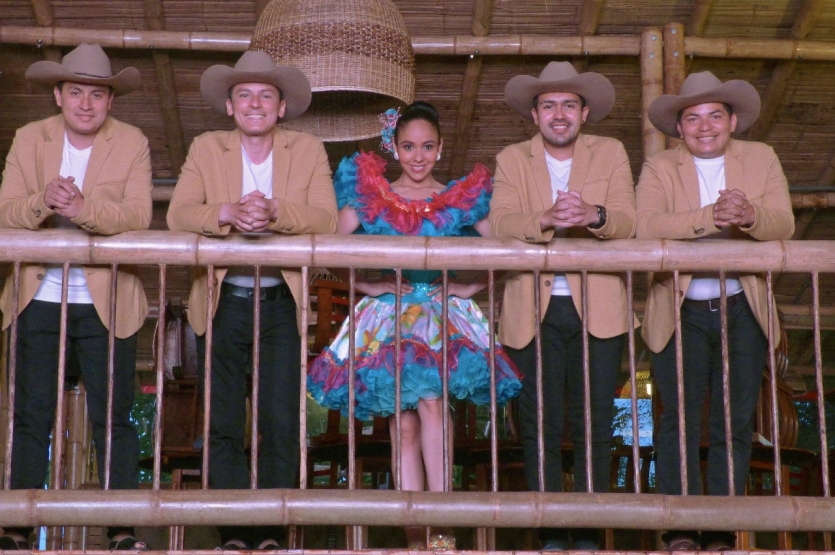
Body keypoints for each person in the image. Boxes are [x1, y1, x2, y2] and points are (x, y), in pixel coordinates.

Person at [307, 101, 523, 551]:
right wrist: (366, 282)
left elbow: (509, 247)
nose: (418, 156)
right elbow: (324, 246)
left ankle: (442, 526)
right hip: (387, 318)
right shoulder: (372, 196)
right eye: (408, 146)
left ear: (441, 148)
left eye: (427, 146)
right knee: (399, 427)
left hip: (441, 319)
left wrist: (473, 287)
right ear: (395, 148)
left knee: (430, 406)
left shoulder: (459, 200)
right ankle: (414, 535)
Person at [166, 50, 337, 550]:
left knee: (280, 421)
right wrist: (227, 212)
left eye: (266, 95)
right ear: (229, 106)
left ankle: (270, 535)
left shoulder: (307, 150)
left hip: (281, 301)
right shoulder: (206, 147)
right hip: (221, 300)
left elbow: (326, 219)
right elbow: (178, 214)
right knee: (220, 421)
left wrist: (275, 211)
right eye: (245, 94)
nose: (255, 103)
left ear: (282, 107)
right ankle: (234, 535)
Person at [0, 43, 152, 551]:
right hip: (36, 294)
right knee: (31, 413)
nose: (86, 103)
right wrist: (41, 202)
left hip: (107, 299)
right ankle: (17, 526)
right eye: (76, 92)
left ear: (110, 101)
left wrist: (84, 208)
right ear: (58, 95)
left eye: (97, 94)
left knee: (115, 415)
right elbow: (6, 213)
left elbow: (138, 216)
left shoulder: (132, 141)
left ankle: (121, 528)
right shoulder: (28, 138)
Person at [636, 71, 794, 551]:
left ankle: (723, 531)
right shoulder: (659, 167)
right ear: (679, 129)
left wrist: (749, 216)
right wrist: (711, 218)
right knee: (676, 420)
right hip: (678, 309)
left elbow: (783, 221)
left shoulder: (762, 158)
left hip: (742, 307)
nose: (704, 126)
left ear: (733, 120)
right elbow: (645, 227)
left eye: (714, 116)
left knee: (735, 420)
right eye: (692, 118)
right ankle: (680, 530)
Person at [489, 62, 636, 551]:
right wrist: (546, 218)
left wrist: (595, 215)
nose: (559, 114)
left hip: (600, 306)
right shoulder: (511, 157)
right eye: (549, 105)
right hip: (529, 310)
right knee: (538, 424)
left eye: (568, 105)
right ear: (534, 115)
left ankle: (590, 535)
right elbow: (501, 224)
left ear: (585, 112)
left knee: (595, 421)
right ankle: (551, 534)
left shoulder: (611, 152)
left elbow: (631, 222)